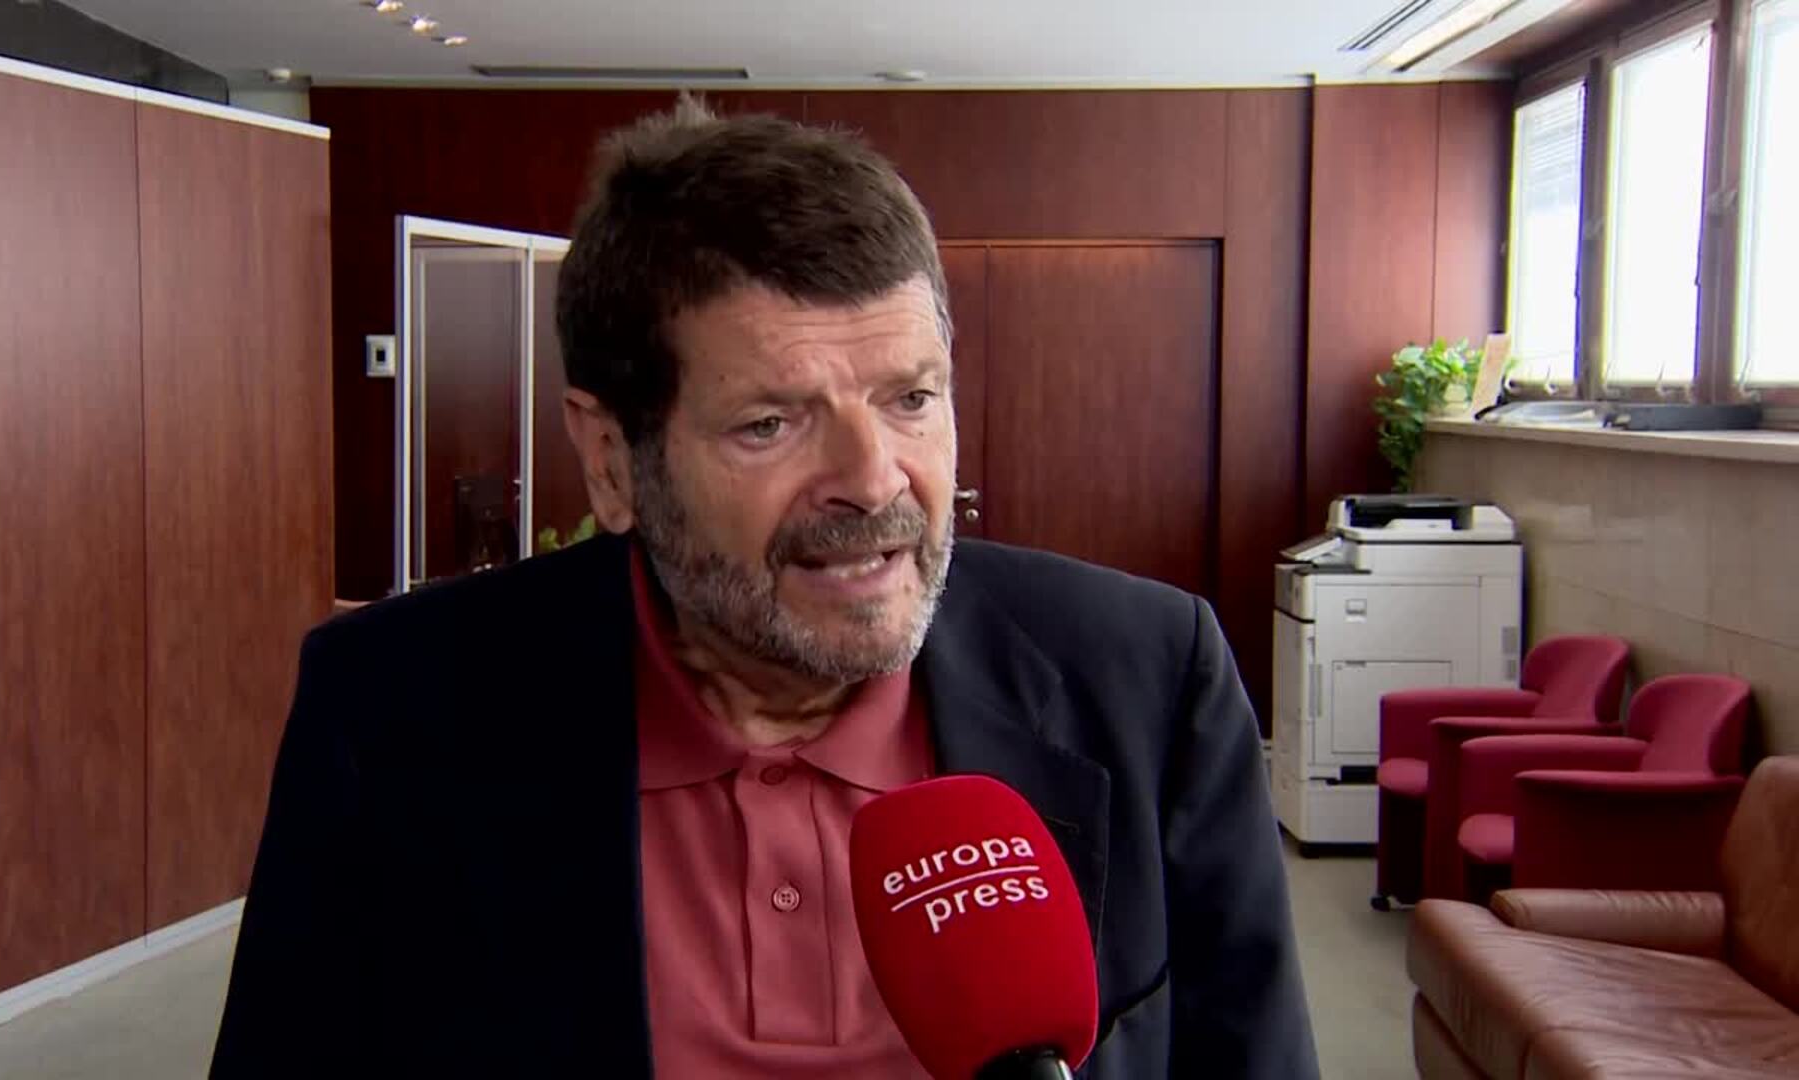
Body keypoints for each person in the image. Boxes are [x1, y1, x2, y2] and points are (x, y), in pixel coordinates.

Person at [210, 99, 1317, 1079]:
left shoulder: (1148, 678)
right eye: (770, 423)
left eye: (911, 399)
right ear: (612, 461)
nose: (873, 481)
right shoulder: (391, 712)